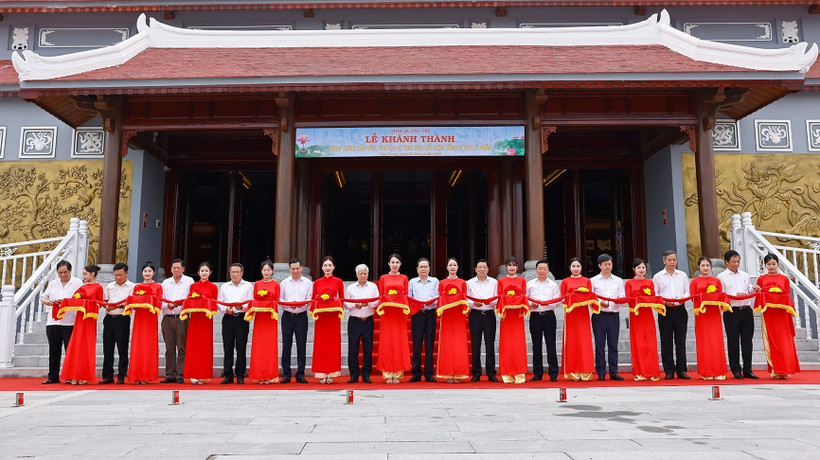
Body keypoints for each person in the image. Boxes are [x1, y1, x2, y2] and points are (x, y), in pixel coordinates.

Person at [756, 253, 801, 379]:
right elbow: (759, 295)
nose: (771, 266)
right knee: (772, 341)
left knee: (784, 341)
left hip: (782, 314)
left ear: (778, 264)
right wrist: (758, 290)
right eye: (768, 264)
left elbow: (787, 296)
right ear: (765, 265)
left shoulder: (784, 279)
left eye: (773, 264)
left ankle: (785, 369)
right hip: (769, 314)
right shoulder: (761, 278)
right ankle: (776, 369)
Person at [717, 250, 759, 379]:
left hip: (746, 310)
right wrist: (736, 295)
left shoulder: (745, 275)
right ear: (726, 262)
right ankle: (735, 369)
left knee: (747, 341)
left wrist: (754, 288)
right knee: (733, 341)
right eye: (733, 261)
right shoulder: (721, 276)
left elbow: (748, 289)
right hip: (731, 311)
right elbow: (721, 294)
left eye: (738, 261)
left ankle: (748, 369)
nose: (736, 264)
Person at [59, 265, 104, 384]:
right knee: (77, 345)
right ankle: (74, 374)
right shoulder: (82, 287)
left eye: (85, 274)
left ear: (92, 274)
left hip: (89, 319)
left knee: (86, 346)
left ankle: (84, 375)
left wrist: (88, 303)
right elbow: (74, 300)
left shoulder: (98, 287)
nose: (84, 276)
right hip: (80, 319)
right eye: (83, 274)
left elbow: (99, 303)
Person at [40, 260, 82, 384]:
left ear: (70, 271)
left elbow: (79, 299)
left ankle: (70, 375)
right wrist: (46, 301)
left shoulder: (77, 283)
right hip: (53, 321)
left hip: (69, 321)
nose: (63, 275)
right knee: (54, 350)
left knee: (70, 351)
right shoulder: (53, 283)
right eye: (60, 272)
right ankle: (53, 376)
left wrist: (65, 301)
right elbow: (44, 296)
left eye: (65, 272)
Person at [689, 257, 730, 380]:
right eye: (703, 265)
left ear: (710, 267)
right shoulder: (695, 282)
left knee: (716, 341)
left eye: (707, 265)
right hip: (702, 314)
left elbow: (720, 295)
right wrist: (704, 296)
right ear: (698, 267)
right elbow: (693, 297)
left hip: (714, 314)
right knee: (704, 341)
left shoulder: (716, 281)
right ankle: (706, 371)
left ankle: (718, 371)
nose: (705, 268)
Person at [653, 250, 691, 380]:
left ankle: (682, 370)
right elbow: (655, 293)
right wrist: (664, 301)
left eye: (674, 259)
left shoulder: (683, 275)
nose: (672, 262)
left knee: (680, 341)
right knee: (666, 341)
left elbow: (687, 291)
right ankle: (669, 370)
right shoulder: (658, 276)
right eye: (669, 260)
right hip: (665, 311)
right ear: (664, 261)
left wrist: (681, 299)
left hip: (680, 310)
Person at [560, 257, 599, 382]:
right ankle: (573, 371)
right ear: (570, 268)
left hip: (583, 314)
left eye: (578, 266)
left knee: (584, 341)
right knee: (572, 341)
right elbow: (562, 298)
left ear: (581, 268)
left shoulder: (587, 281)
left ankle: (586, 370)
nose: (576, 269)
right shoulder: (565, 282)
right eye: (573, 266)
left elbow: (590, 296)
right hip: (571, 315)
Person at [624, 258, 663, 381]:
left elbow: (653, 297)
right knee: (638, 343)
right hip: (636, 315)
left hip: (647, 315)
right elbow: (628, 299)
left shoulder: (650, 283)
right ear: (634, 270)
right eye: (639, 268)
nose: (641, 270)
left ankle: (652, 371)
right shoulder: (629, 283)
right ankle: (640, 371)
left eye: (643, 268)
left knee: (649, 342)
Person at [590, 254, 626, 381]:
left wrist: (618, 301)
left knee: (613, 344)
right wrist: (600, 303)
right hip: (599, 315)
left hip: (613, 315)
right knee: (600, 344)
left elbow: (622, 296)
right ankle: (600, 371)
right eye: (605, 264)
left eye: (609, 264)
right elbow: (590, 298)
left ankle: (613, 371)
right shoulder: (593, 281)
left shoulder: (618, 280)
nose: (607, 267)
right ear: (599, 266)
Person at [127, 261, 164, 384]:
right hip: (140, 318)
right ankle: (137, 375)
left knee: (148, 346)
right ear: (142, 273)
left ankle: (147, 375)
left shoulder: (158, 287)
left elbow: (159, 302)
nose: (147, 273)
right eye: (145, 271)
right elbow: (132, 302)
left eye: (149, 271)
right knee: (138, 345)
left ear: (153, 273)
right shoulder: (137, 287)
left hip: (150, 318)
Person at [377, 253, 411, 384]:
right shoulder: (383, 278)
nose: (395, 265)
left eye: (397, 262)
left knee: (398, 342)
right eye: (392, 262)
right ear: (388, 264)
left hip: (399, 314)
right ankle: (387, 373)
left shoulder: (404, 278)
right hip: (387, 313)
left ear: (400, 264)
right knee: (387, 342)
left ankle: (397, 373)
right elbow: (381, 295)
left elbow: (406, 295)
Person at [182, 262, 218, 384]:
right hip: (195, 319)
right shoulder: (193, 286)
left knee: (204, 346)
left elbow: (214, 303)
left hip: (206, 320)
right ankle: (193, 374)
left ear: (210, 273)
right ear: (198, 273)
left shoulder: (213, 287)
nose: (204, 273)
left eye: (206, 271)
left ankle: (203, 375)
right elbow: (189, 300)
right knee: (194, 345)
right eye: (202, 271)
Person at [311, 256, 345, 384]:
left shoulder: (338, 281)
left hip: (333, 318)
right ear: (322, 268)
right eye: (325, 265)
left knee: (332, 345)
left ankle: (331, 373)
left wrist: (334, 304)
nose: (327, 268)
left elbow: (341, 299)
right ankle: (321, 373)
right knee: (321, 345)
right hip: (321, 318)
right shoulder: (317, 282)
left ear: (334, 267)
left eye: (330, 265)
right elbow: (313, 299)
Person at [246, 259, 281, 384]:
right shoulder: (256, 284)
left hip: (270, 319)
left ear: (272, 271)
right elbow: (254, 299)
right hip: (260, 318)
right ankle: (259, 375)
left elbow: (277, 300)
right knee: (259, 347)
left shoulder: (276, 284)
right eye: (264, 270)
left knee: (270, 347)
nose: (266, 272)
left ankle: (270, 375)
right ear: (261, 271)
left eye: (268, 270)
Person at [436, 258, 470, 383]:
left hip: (458, 316)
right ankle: (448, 373)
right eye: (450, 265)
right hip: (447, 316)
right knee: (447, 344)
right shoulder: (442, 283)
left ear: (457, 267)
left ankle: (459, 373)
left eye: (454, 265)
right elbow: (440, 298)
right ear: (447, 267)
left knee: (458, 344)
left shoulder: (462, 283)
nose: (452, 267)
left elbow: (465, 298)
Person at [526, 259, 561, 382]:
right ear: (536, 270)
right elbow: (526, 299)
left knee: (551, 344)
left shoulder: (553, 285)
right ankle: (537, 373)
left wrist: (548, 304)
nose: (542, 271)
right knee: (536, 345)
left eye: (544, 269)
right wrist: (531, 304)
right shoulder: (530, 284)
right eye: (540, 269)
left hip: (549, 316)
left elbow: (557, 301)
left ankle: (553, 373)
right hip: (535, 316)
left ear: (548, 270)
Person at [160, 258, 194, 384]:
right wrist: (166, 306)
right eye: (174, 268)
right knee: (169, 347)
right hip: (168, 318)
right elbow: (161, 299)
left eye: (178, 268)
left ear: (183, 269)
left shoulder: (189, 281)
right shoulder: (165, 282)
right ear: (171, 269)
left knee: (181, 347)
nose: (176, 270)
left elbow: (191, 298)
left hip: (182, 318)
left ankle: (181, 373)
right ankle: (170, 374)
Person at [218, 263, 253, 384]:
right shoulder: (224, 286)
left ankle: (240, 375)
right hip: (228, 318)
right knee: (228, 347)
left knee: (241, 347)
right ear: (230, 273)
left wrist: (242, 306)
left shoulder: (248, 286)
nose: (235, 274)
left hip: (242, 318)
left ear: (242, 273)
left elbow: (251, 302)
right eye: (233, 272)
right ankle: (228, 375)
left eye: (237, 272)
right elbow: (220, 302)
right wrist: (225, 309)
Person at [280, 258, 313, 384]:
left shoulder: (308, 283)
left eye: (297, 268)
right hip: (287, 316)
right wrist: (290, 305)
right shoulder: (284, 283)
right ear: (289, 269)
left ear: (301, 268)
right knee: (286, 345)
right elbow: (280, 299)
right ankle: (286, 374)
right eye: (293, 269)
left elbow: (309, 299)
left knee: (301, 345)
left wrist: (300, 306)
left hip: (301, 316)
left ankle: (300, 374)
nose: (295, 271)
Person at [344, 264, 379, 384]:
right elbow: (346, 303)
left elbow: (377, 301)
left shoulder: (373, 287)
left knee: (368, 348)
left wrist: (368, 304)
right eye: (361, 273)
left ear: (367, 274)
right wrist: (355, 305)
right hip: (354, 320)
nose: (363, 275)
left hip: (368, 320)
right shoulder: (350, 288)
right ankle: (353, 374)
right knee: (353, 348)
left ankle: (366, 374)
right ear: (357, 274)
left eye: (365, 273)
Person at [100, 262, 134, 384]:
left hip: (122, 318)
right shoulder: (109, 286)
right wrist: (107, 307)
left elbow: (131, 303)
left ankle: (121, 375)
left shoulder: (132, 287)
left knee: (122, 348)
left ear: (126, 273)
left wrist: (118, 306)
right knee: (107, 348)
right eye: (116, 275)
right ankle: (107, 375)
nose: (118, 277)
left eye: (121, 275)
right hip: (109, 318)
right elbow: (105, 300)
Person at [496, 257, 528, 384]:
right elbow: (499, 297)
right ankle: (507, 374)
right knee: (507, 344)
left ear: (517, 267)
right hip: (506, 317)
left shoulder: (522, 280)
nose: (512, 268)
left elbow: (524, 296)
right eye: (509, 265)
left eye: (514, 265)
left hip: (518, 316)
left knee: (518, 343)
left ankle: (519, 373)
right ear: (506, 267)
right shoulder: (501, 281)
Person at [466, 259, 499, 382]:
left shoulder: (494, 282)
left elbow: (498, 297)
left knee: (490, 343)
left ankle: (491, 372)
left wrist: (491, 302)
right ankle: (476, 372)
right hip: (475, 314)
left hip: (489, 314)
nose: (482, 270)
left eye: (484, 267)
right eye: (479, 267)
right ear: (475, 269)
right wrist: (473, 303)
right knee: (476, 344)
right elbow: (465, 298)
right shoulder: (469, 283)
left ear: (488, 269)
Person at [408, 258, 439, 383]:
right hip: (417, 314)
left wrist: (429, 303)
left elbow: (438, 297)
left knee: (429, 344)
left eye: (425, 267)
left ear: (429, 268)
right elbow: (409, 298)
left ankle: (428, 373)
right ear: (417, 269)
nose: (423, 269)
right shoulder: (412, 282)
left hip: (430, 314)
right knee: (417, 344)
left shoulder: (435, 281)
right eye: (421, 267)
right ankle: (416, 373)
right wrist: (418, 305)